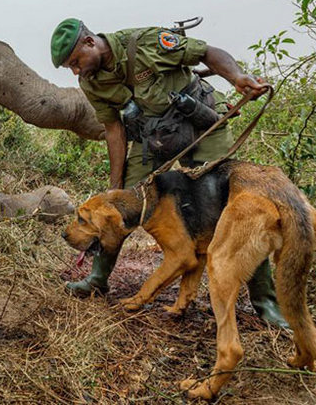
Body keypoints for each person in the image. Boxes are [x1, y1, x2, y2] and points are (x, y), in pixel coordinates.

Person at [50, 18, 288, 328]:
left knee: (233, 207)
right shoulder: (91, 81)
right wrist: (115, 186)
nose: (76, 71)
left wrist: (237, 77)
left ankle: (265, 303)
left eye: (75, 62)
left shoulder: (146, 42)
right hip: (153, 137)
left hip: (200, 126)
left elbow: (207, 52)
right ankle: (98, 279)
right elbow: (113, 129)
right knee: (120, 203)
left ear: (90, 43)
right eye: (70, 68)